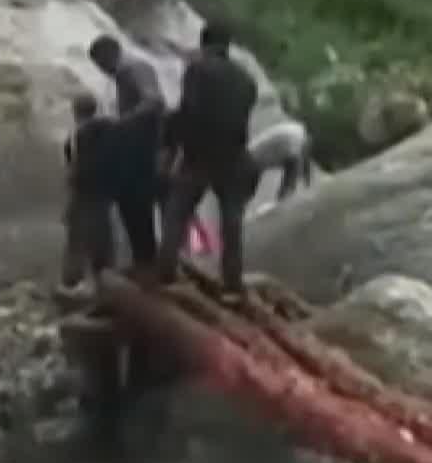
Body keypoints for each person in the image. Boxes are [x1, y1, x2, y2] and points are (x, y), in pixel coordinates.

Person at [159, 22, 258, 294]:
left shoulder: (198, 70)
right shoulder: (246, 79)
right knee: (232, 224)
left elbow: (188, 111)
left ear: (204, 44)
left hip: (200, 155)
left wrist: (170, 148)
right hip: (234, 156)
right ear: (228, 45)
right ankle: (232, 281)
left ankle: (166, 273)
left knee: (176, 213)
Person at [87, 34, 166, 270]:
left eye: (101, 65)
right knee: (132, 204)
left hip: (145, 149)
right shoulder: (127, 73)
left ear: (108, 55)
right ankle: (144, 260)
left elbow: (155, 102)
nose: (103, 71)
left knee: (136, 204)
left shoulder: (133, 69)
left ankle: (147, 261)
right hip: (138, 148)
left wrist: (120, 124)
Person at [60, 92, 117, 289]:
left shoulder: (75, 137)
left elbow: (73, 168)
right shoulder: (110, 131)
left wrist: (71, 190)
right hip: (103, 195)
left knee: (76, 241)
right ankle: (106, 282)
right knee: (103, 240)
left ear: (75, 111)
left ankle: (71, 283)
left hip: (82, 195)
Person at [249, 119, 312, 202]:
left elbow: (305, 159)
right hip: (251, 161)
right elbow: (292, 170)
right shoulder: (296, 142)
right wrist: (284, 196)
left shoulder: (297, 131)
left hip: (252, 154)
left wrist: (307, 181)